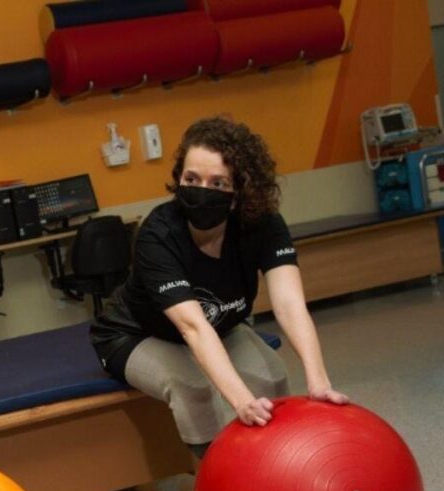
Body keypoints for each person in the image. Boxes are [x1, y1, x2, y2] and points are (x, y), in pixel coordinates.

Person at [90, 116, 348, 458]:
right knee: (193, 388)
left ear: (241, 191)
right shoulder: (159, 234)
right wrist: (242, 402)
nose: (202, 192)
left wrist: (318, 382)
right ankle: (217, 485)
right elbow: (192, 327)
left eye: (218, 183)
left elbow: (289, 304)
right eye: (192, 178)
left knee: (271, 377)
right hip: (137, 333)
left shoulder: (263, 224)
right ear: (178, 177)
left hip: (219, 326)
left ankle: (277, 469)